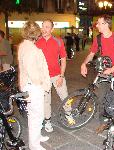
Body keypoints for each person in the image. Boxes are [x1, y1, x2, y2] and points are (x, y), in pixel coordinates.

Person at [80, 14, 114, 132]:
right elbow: (91, 54)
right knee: (101, 98)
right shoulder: (98, 39)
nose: (96, 25)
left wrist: (112, 69)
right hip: (103, 73)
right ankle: (103, 122)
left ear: (106, 24)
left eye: (99, 23)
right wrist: (83, 64)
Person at [18, 21, 51, 150]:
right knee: (36, 115)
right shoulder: (31, 49)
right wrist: (41, 84)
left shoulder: (24, 46)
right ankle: (34, 144)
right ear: (35, 33)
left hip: (29, 85)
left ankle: (36, 137)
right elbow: (32, 71)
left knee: (36, 114)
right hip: (34, 85)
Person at [36, 19, 73, 133]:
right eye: (43, 26)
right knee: (46, 100)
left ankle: (68, 114)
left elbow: (63, 59)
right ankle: (47, 121)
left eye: (47, 27)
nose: (44, 29)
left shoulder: (58, 41)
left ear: (52, 29)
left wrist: (61, 76)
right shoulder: (37, 41)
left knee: (65, 96)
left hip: (57, 75)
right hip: (43, 77)